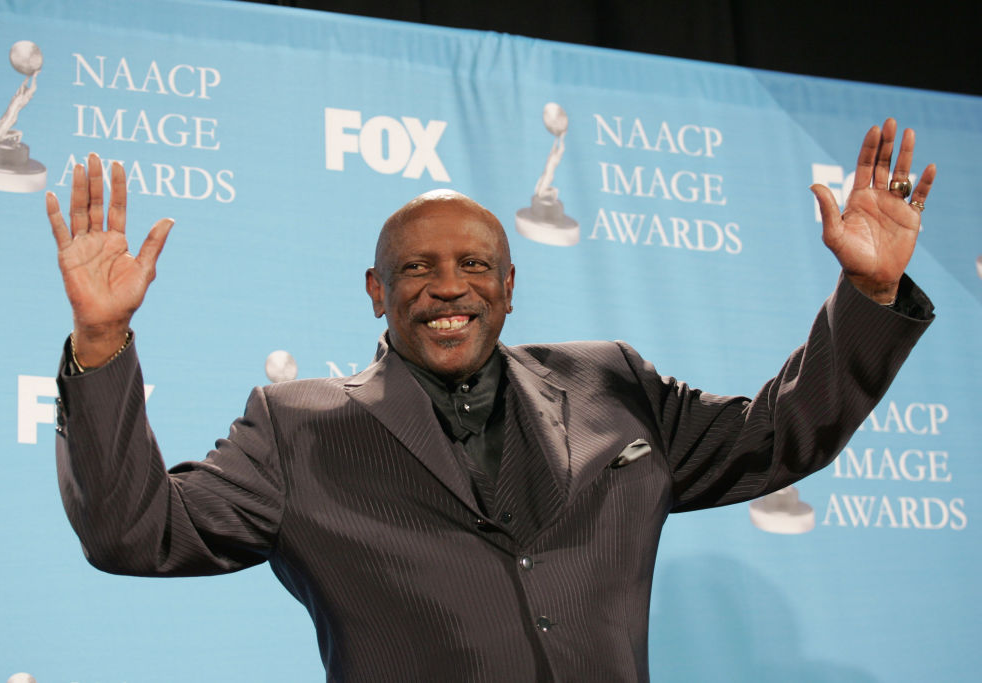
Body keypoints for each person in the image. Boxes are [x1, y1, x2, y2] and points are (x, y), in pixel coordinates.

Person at [46, 119, 935, 682]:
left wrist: (868, 296)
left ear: (510, 286)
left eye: (475, 266)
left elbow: (780, 436)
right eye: (417, 269)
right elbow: (135, 532)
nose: (448, 286)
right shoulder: (296, 425)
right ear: (374, 289)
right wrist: (100, 344)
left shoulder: (611, 382)